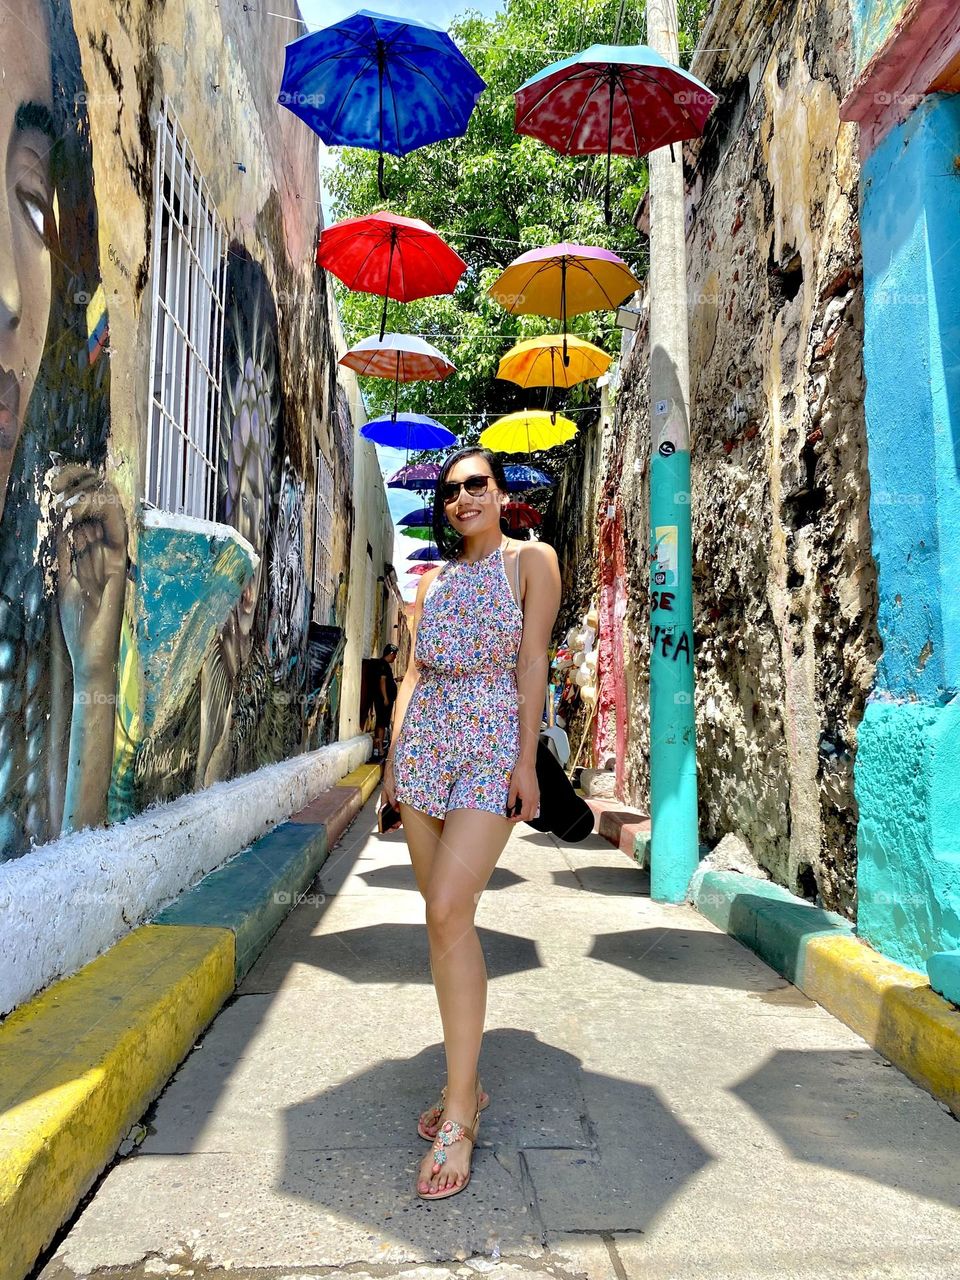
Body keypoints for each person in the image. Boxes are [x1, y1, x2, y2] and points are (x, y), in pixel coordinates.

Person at [382, 446, 561, 1200]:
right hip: (425, 745)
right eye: (452, 491)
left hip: (490, 744)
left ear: (501, 491)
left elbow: (534, 664)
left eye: (476, 484)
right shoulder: (436, 578)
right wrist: (392, 765)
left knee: (452, 907)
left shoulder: (532, 561)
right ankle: (469, 1081)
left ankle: (461, 1110)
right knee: (441, 921)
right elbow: (415, 673)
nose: (464, 499)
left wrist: (526, 762)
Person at [371, 642, 399, 761]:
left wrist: (396, 680)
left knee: (381, 723)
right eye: (395, 655)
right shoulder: (383, 665)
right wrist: (386, 697)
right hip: (383, 700)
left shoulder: (384, 665)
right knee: (382, 724)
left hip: (383, 699)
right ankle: (380, 749)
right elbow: (382, 681)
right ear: (391, 654)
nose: (395, 657)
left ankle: (379, 747)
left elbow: (386, 680)